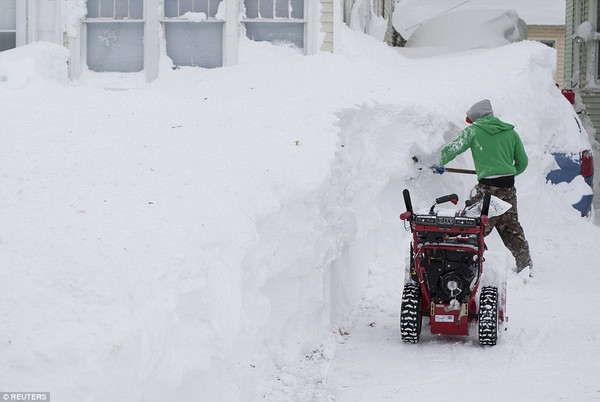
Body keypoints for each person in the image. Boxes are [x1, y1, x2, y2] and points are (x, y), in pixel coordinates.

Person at [435, 99, 533, 277]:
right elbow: (523, 163)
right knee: (510, 227)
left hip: (487, 189)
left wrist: (437, 162)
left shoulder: (473, 130)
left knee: (470, 225)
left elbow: (453, 148)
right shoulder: (510, 132)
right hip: (508, 187)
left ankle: (470, 262)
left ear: (477, 117)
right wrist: (506, 172)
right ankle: (525, 266)